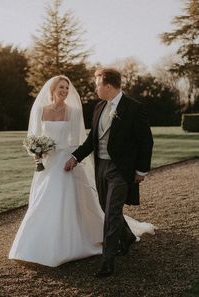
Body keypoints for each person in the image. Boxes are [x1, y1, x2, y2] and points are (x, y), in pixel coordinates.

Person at [9, 75, 155, 269]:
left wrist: (73, 158)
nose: (64, 91)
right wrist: (36, 152)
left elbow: (81, 140)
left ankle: (99, 255)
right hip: (48, 163)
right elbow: (33, 137)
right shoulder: (40, 110)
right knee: (43, 201)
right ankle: (37, 244)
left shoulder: (75, 112)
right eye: (61, 87)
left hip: (67, 160)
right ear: (52, 89)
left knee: (88, 204)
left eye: (66, 88)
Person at [65, 68, 154, 277]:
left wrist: (141, 170)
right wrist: (75, 157)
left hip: (121, 170)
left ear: (108, 86)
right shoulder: (99, 107)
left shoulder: (134, 108)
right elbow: (91, 141)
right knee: (107, 209)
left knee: (112, 213)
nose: (95, 88)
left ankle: (107, 260)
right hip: (101, 166)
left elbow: (146, 142)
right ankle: (128, 236)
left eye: (97, 84)